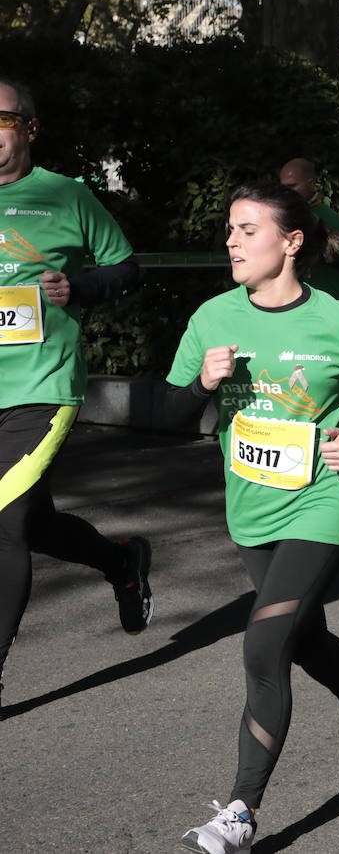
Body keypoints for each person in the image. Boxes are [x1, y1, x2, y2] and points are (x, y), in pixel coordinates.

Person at [169, 181, 339, 853]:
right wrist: (202, 386)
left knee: (264, 646)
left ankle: (239, 812)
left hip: (321, 501)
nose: (232, 241)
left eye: (247, 230)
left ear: (292, 242)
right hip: (252, 507)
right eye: (231, 230)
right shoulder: (212, 318)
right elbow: (167, 415)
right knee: (301, 639)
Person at [0, 76, 151, 710]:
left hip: (41, 384)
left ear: (28, 128)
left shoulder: (65, 194)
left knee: (3, 524)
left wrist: (79, 289)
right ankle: (121, 563)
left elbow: (125, 267)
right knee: (34, 524)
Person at [279, 158, 339, 302]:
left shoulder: (328, 218)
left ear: (311, 183)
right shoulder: (281, 215)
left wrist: (319, 254)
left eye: (293, 186)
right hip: (292, 305)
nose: (287, 193)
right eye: (284, 187)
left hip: (327, 304)